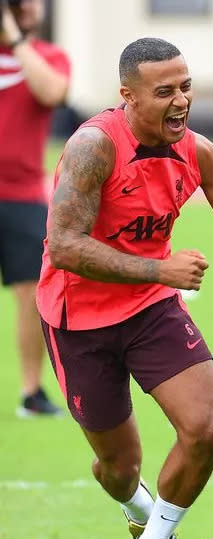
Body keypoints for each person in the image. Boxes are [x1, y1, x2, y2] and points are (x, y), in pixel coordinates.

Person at [36, 38, 213, 539]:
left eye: (186, 87)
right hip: (76, 318)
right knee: (119, 468)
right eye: (165, 91)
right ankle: (134, 503)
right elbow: (64, 246)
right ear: (127, 95)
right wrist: (158, 270)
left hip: (151, 309)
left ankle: (158, 533)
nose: (181, 101)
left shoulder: (198, 152)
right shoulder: (93, 148)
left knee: (205, 429)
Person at [0, 0, 69, 416]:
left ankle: (32, 391)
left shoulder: (47, 56)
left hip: (23, 194)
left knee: (30, 296)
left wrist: (16, 37)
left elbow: (54, 92)